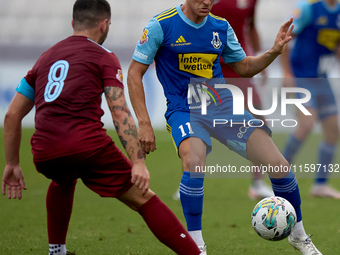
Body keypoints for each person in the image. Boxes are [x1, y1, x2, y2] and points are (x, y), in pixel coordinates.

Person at [1, 1, 203, 255]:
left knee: (62, 179)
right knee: (144, 199)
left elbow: (11, 115)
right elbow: (119, 112)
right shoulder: (103, 56)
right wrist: (137, 162)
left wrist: (11, 164)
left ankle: (56, 251)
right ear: (104, 24)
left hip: (44, 151)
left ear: (73, 23)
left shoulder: (46, 57)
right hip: (88, 147)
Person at [127, 0, 322, 254]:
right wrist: (143, 122)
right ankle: (196, 246)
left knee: (279, 165)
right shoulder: (160, 26)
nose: (207, 2)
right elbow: (133, 73)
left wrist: (273, 51)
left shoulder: (220, 27)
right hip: (184, 110)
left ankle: (298, 236)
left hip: (221, 106)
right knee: (193, 161)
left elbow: (244, 67)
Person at [210, 0, 274, 200]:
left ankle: (257, 184)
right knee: (196, 125)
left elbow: (251, 25)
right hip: (211, 68)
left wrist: (259, 60)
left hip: (238, 67)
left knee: (260, 122)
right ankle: (187, 182)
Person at [281, 0, 340, 199]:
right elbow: (285, 38)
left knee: (333, 130)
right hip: (301, 77)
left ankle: (320, 185)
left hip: (322, 80)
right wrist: (287, 73)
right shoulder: (308, 9)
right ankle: (279, 173)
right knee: (306, 123)